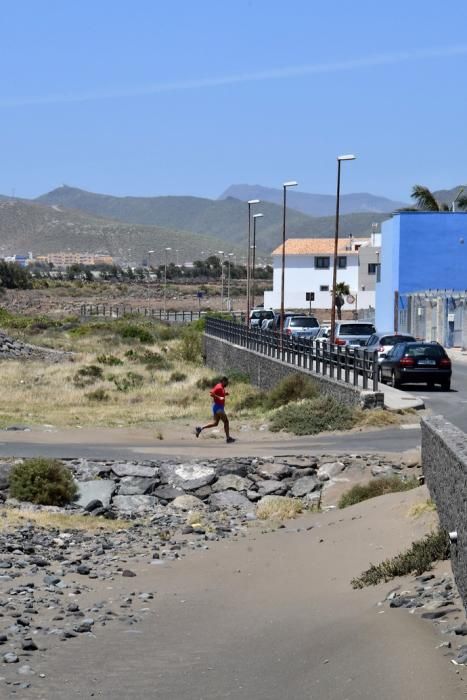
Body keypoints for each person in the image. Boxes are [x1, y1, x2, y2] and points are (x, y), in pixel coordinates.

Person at [195, 376, 235, 443]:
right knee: (226, 422)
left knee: (215, 423)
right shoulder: (219, 387)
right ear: (223, 381)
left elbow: (219, 394)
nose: (227, 384)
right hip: (218, 408)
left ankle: (200, 428)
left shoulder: (221, 387)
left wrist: (225, 394)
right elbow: (211, 393)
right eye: (226, 383)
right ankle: (228, 438)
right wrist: (219, 398)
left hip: (217, 407)